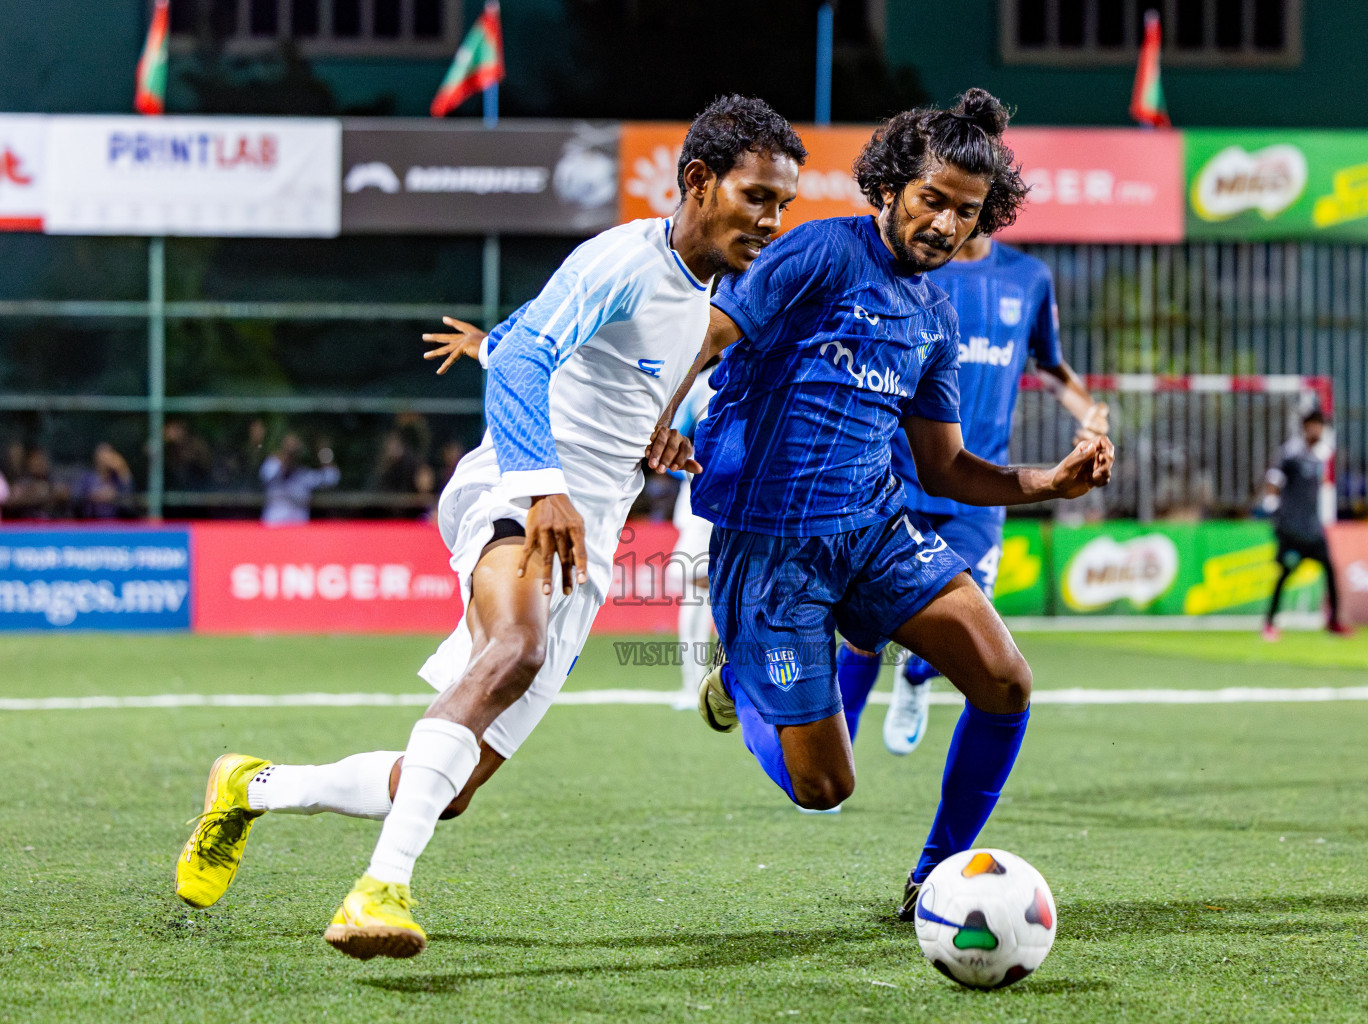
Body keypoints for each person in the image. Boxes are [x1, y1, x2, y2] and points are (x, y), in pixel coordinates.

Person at [172, 95, 807, 961]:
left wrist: (655, 437)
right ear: (697, 182)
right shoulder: (624, 257)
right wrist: (543, 478)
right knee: (518, 648)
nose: (771, 220)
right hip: (516, 492)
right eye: (757, 197)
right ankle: (378, 891)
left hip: (591, 536)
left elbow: (550, 350)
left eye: (784, 203)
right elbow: (526, 356)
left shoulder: (704, 300)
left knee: (451, 785)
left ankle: (252, 786)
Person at [648, 88, 1114, 918]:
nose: (944, 224)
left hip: (873, 529)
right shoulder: (819, 254)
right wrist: (655, 423)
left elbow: (945, 470)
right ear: (893, 186)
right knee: (823, 788)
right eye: (932, 200)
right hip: (770, 549)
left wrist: (1048, 482)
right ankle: (743, 685)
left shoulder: (935, 316)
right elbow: (708, 335)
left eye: (966, 213)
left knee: (1006, 682)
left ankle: (938, 876)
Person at [836, 230, 1109, 761]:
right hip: (896, 482)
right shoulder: (914, 266)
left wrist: (1092, 415)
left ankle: (915, 681)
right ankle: (832, 753)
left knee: (967, 624)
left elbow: (1051, 366)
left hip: (981, 491)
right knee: (863, 632)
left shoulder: (1029, 277)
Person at [1261, 408, 1350, 640]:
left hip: (1313, 529)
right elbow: (1274, 479)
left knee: (1330, 570)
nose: (1317, 430)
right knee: (1284, 574)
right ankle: (1270, 623)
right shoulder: (1291, 453)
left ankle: (1334, 621)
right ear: (1304, 427)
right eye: (1313, 425)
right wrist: (1272, 506)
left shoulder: (1318, 456)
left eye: (1320, 426)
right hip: (1291, 528)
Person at [667, 373, 718, 710]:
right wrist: (691, 470)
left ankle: (708, 683)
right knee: (700, 587)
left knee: (714, 590)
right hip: (708, 499)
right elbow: (670, 438)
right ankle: (696, 683)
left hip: (746, 499)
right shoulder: (703, 382)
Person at [259, 433, 341, 526]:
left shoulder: (304, 476)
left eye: (294, 451)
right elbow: (265, 474)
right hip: (272, 528)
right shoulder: (272, 468)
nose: (291, 455)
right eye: (288, 449)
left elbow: (331, 478)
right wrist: (286, 454)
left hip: (299, 532)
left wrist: (324, 452)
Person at [72, 443, 135, 519]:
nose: (104, 459)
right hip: (90, 524)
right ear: (96, 457)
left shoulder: (117, 479)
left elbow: (129, 498)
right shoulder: (87, 478)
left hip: (115, 525)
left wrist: (122, 469)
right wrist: (93, 496)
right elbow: (76, 499)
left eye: (108, 455)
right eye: (101, 455)